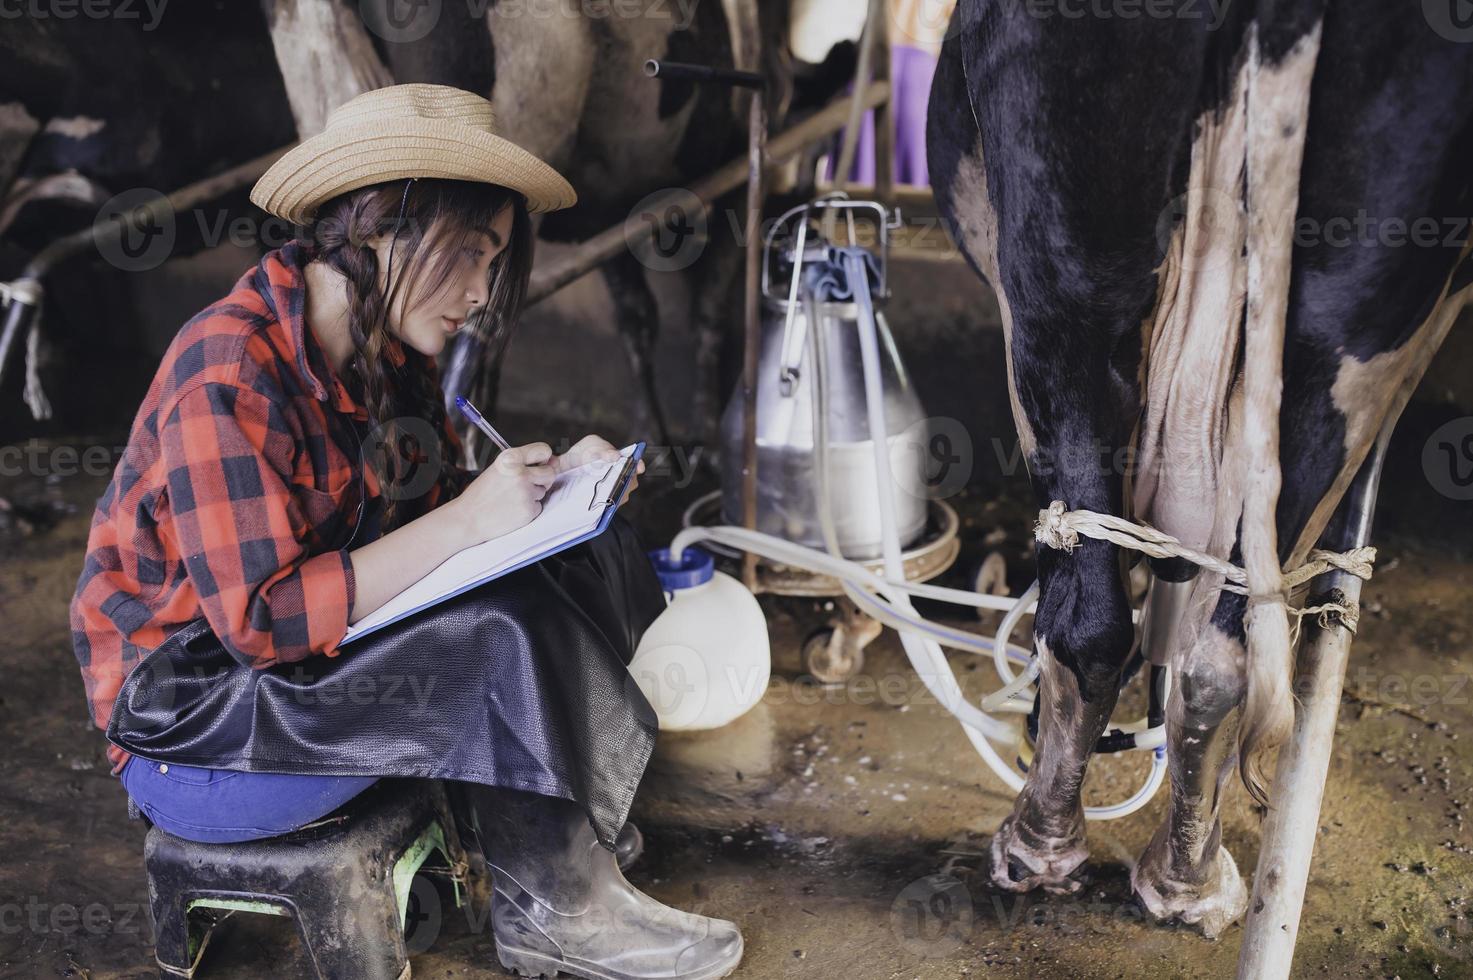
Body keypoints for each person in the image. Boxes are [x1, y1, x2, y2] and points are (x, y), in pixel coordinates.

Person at [68, 83, 743, 980]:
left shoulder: (387, 357)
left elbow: (425, 517)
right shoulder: (227, 374)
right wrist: (469, 518)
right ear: (378, 228)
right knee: (496, 633)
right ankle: (556, 909)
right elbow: (261, 625)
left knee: (581, 553)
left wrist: (554, 489)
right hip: (193, 730)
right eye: (469, 253)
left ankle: (561, 832)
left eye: (493, 261)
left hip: (284, 688)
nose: (481, 292)